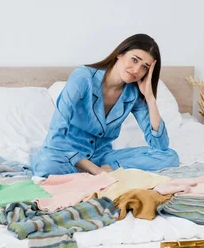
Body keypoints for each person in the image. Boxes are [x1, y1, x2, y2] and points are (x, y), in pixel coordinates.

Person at [31, 34, 180, 177]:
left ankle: (87, 174)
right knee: (46, 164)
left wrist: (150, 98)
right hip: (67, 154)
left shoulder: (133, 93)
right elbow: (55, 138)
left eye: (145, 67)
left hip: (102, 157)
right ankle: (87, 173)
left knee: (170, 157)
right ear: (120, 54)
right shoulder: (83, 77)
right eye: (134, 60)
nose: (137, 70)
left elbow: (160, 146)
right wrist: (96, 171)